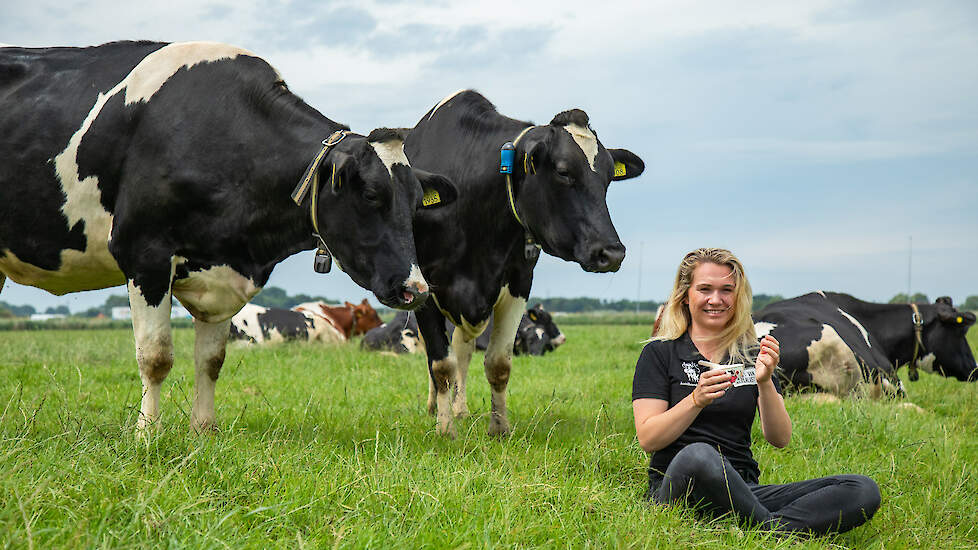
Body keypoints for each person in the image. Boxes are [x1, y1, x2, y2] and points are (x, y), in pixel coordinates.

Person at [632, 247, 880, 535]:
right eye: (705, 289)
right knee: (698, 455)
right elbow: (649, 438)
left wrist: (764, 381)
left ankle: (765, 529)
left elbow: (780, 438)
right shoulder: (660, 353)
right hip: (679, 491)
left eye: (727, 290)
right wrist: (695, 401)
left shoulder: (751, 356)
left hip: (745, 492)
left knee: (861, 489)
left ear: (738, 296)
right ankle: (771, 530)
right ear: (685, 295)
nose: (716, 299)